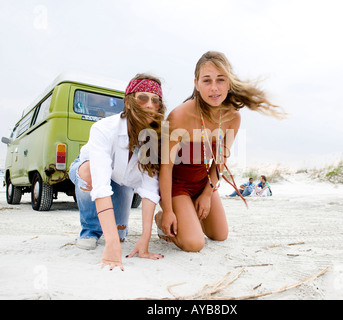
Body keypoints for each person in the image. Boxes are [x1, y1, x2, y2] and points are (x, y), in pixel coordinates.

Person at [156, 51, 285, 252]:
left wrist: (207, 193)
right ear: (196, 83)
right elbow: (165, 168)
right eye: (207, 80)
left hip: (203, 182)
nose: (214, 88)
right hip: (177, 185)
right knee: (194, 244)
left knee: (220, 235)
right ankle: (165, 216)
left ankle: (188, 214)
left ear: (229, 83)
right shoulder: (179, 116)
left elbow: (220, 162)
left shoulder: (233, 117)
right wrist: (168, 211)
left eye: (220, 80)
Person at [68, 73, 166, 270]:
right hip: (90, 169)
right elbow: (101, 185)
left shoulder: (154, 137)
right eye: (143, 98)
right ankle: (90, 230)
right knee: (89, 174)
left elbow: (149, 190)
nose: (150, 104)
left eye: (155, 100)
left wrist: (145, 240)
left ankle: (118, 231)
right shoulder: (103, 129)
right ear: (128, 102)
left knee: (120, 235)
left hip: (123, 182)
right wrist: (111, 246)